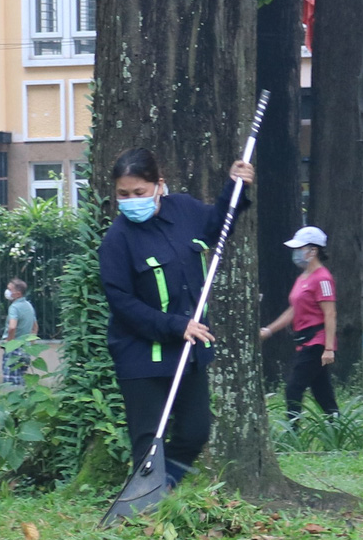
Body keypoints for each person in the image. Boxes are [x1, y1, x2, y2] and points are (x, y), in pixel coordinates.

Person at [97, 147, 256, 488]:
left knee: (196, 431)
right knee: (148, 441)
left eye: (138, 192)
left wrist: (236, 187)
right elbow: (122, 303)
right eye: (123, 194)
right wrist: (175, 325)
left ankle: (164, 486)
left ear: (158, 185)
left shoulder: (184, 210)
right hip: (140, 357)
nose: (130, 200)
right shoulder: (116, 240)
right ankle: (144, 506)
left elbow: (218, 226)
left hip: (189, 352)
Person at [260, 226, 338, 424]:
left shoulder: (323, 278)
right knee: (322, 392)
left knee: (293, 388)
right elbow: (293, 310)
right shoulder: (303, 278)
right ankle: (337, 428)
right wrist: (269, 330)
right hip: (304, 341)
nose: (296, 253)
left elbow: (330, 314)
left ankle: (293, 432)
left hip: (316, 343)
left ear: (313, 251)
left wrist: (328, 348)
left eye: (300, 248)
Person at [1, 278, 38, 387]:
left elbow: (12, 327)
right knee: (21, 379)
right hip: (25, 348)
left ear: (17, 293)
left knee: (10, 383)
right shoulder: (29, 306)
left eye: (9, 289)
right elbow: (35, 327)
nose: (7, 292)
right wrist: (31, 344)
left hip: (14, 348)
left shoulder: (14, 307)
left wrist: (9, 343)